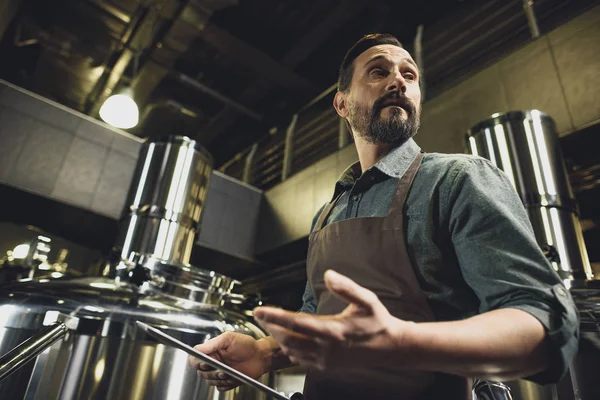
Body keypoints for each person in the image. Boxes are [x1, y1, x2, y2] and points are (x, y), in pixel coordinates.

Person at [189, 33, 579, 399]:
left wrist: (402, 343)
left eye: (409, 74)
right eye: (379, 71)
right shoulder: (328, 213)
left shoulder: (456, 179)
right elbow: (317, 315)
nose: (398, 81)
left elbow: (541, 320)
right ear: (342, 104)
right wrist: (265, 353)